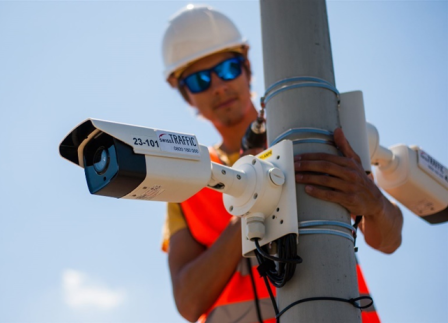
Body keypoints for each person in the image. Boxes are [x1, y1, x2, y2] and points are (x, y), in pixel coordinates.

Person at [160, 5, 403, 323]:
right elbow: (188, 302)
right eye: (200, 79)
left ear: (247, 66)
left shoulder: (310, 129)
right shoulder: (188, 176)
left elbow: (389, 240)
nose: (219, 86)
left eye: (229, 68)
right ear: (185, 94)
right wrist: (252, 201)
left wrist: (374, 204)